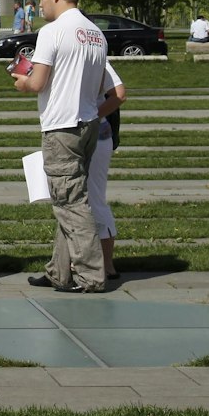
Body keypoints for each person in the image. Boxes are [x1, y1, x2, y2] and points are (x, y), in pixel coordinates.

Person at [13, 0, 109, 293]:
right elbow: (97, 87)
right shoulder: (96, 34)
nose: (39, 2)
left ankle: (91, 275)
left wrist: (22, 81)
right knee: (68, 200)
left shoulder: (52, 32)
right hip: (88, 122)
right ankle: (59, 272)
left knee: (70, 204)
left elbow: (37, 82)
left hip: (61, 126)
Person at [88, 61, 126, 282]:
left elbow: (119, 94)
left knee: (94, 199)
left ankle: (106, 264)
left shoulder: (95, 54)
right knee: (72, 201)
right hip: (75, 130)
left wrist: (92, 117)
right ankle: (65, 264)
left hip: (93, 130)